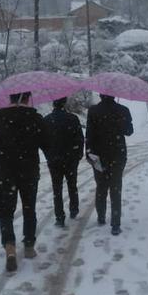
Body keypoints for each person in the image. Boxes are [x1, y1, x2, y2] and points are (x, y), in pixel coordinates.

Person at [0, 91, 48, 272]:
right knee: (29, 208)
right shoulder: (35, 118)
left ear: (10, 99)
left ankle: (10, 247)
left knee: (6, 211)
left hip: (6, 174)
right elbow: (48, 144)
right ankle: (29, 246)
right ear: (27, 99)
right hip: (29, 172)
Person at [85, 93, 134, 235]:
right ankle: (115, 224)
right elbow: (129, 131)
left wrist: (88, 154)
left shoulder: (93, 111)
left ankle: (101, 217)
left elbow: (89, 134)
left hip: (98, 155)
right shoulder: (123, 110)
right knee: (116, 187)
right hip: (118, 154)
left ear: (100, 95)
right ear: (114, 95)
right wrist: (119, 122)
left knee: (101, 186)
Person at [43, 97, 84, 227]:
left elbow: (42, 143)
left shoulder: (47, 120)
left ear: (53, 103)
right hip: (71, 159)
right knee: (72, 185)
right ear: (64, 103)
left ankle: (59, 217)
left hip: (54, 160)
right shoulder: (73, 118)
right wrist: (78, 155)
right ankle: (74, 209)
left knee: (57, 189)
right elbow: (80, 139)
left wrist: (48, 155)